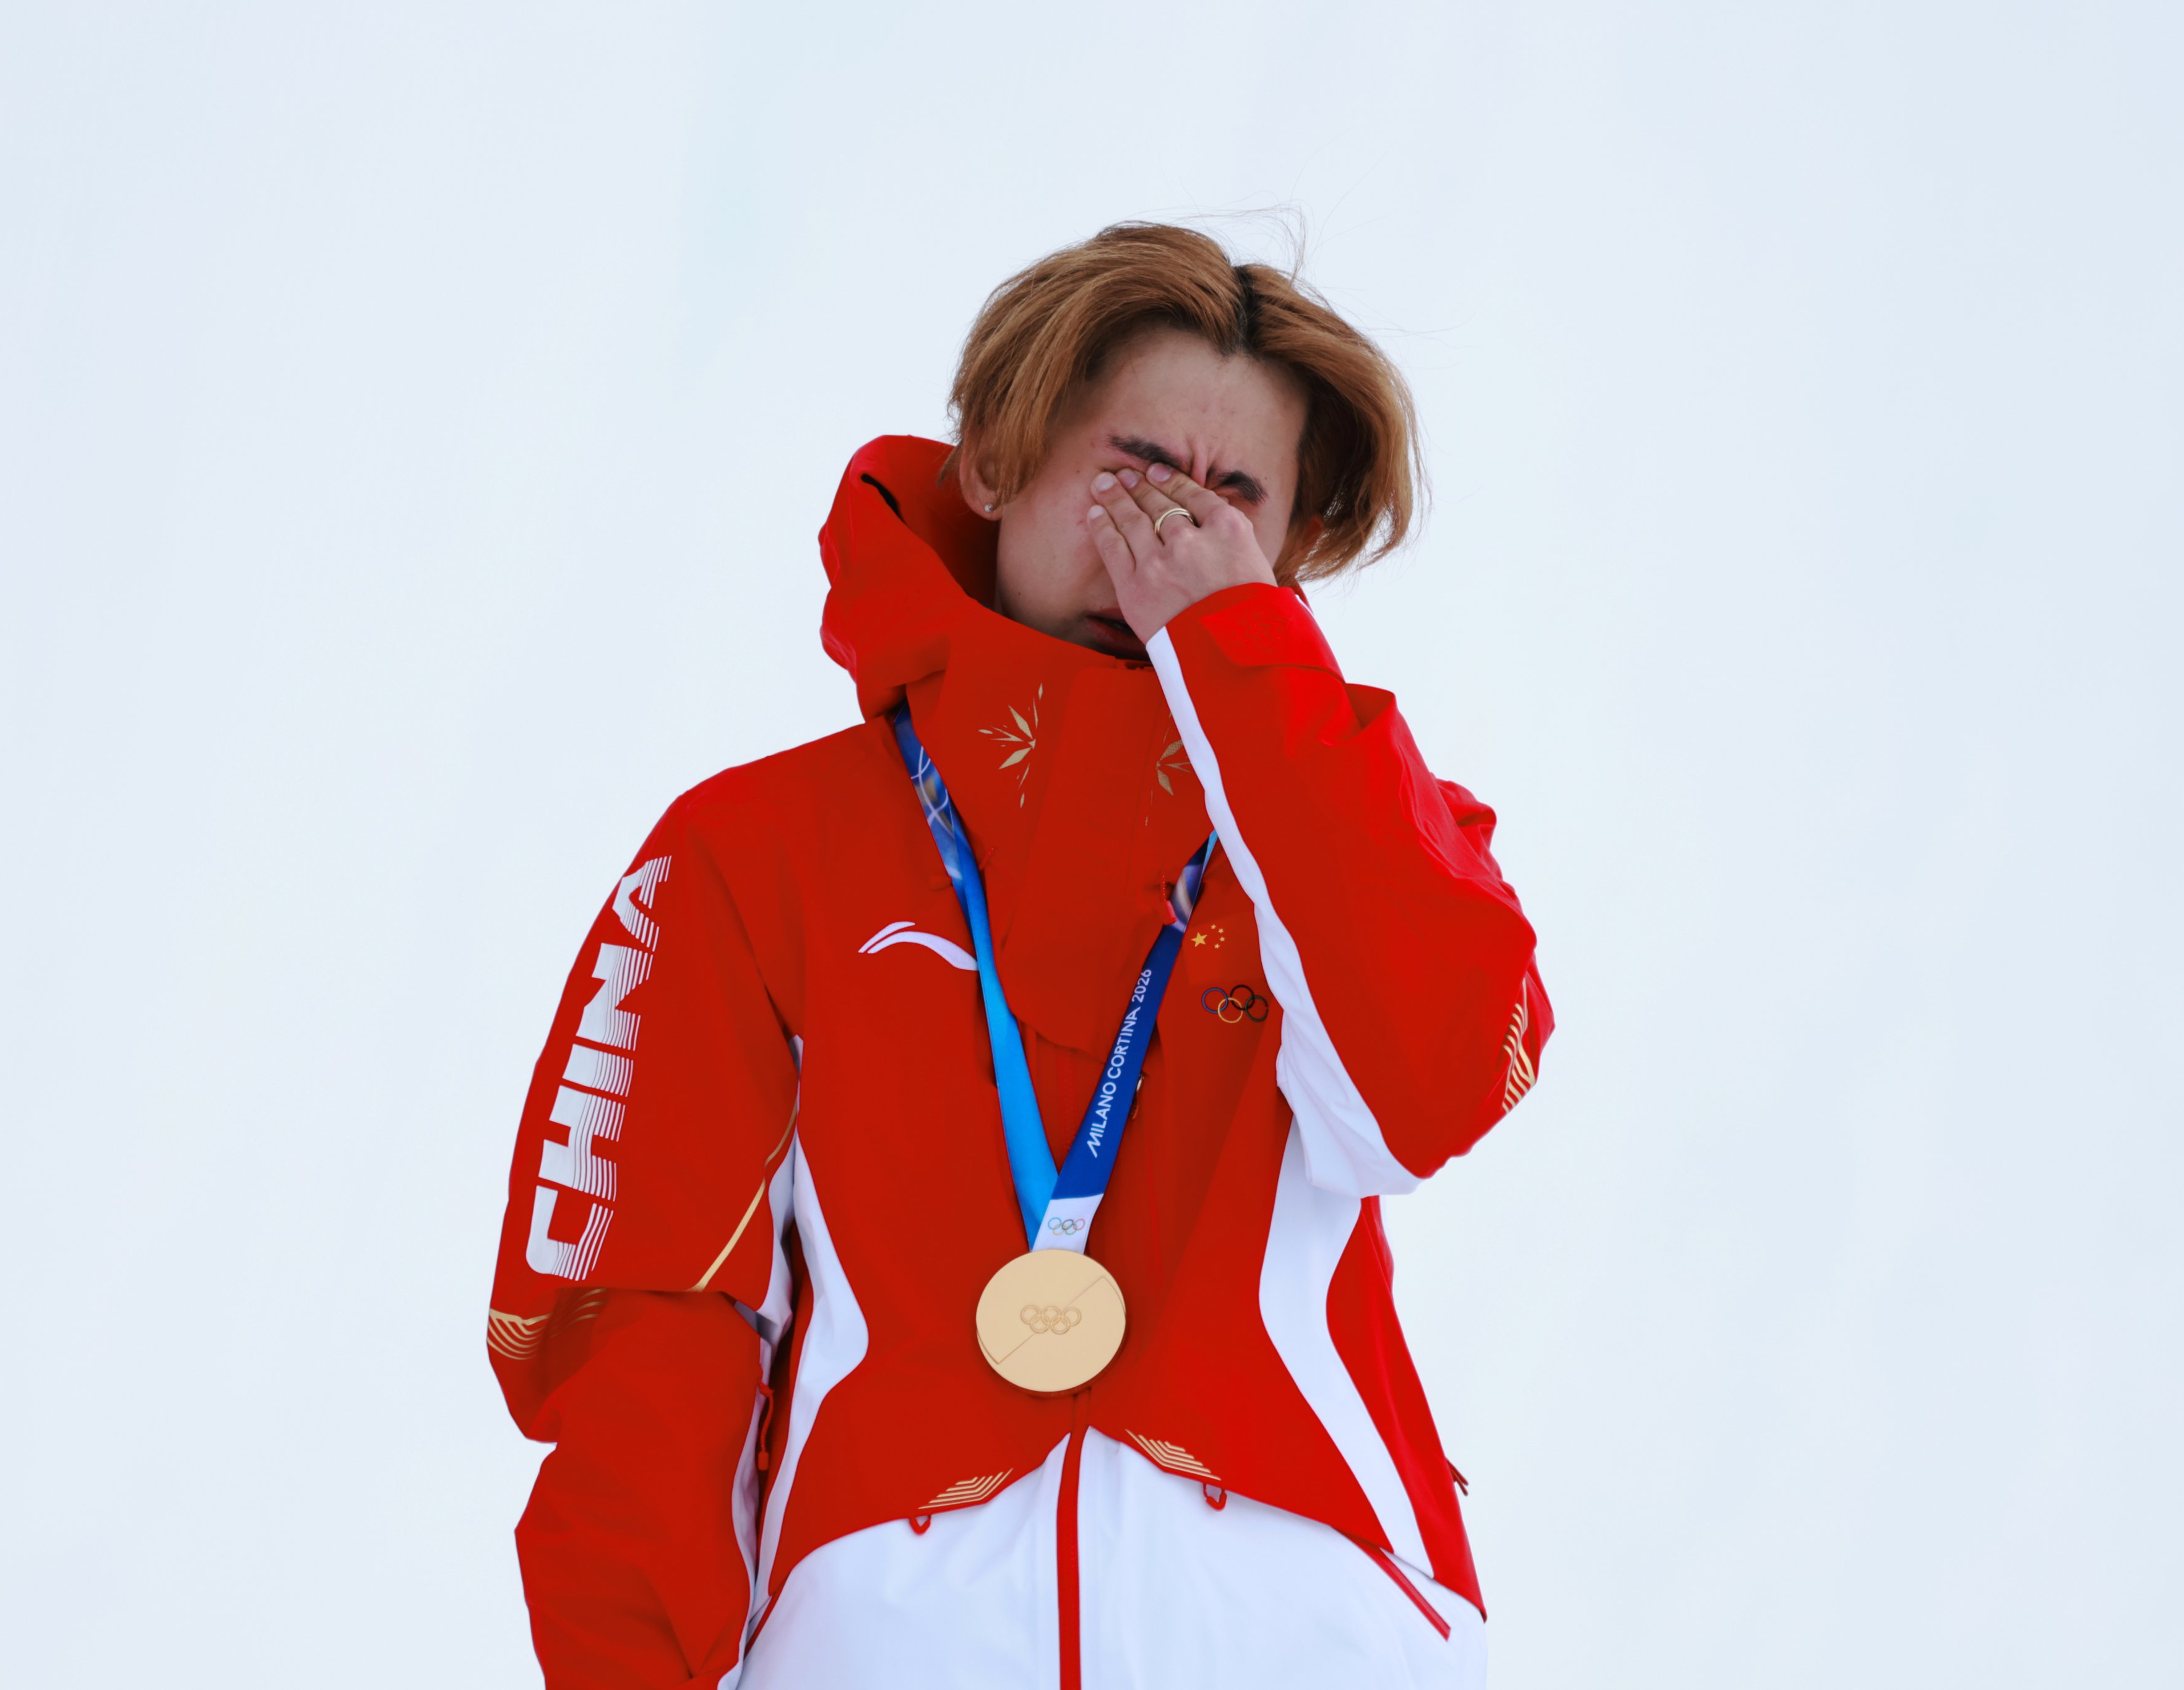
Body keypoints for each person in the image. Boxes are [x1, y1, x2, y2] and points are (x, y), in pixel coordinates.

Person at [484, 222, 1552, 1689]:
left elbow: (1427, 1091)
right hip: (890, 1638)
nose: (1165, 533)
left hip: (1310, 1631)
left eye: (1231, 496)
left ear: (1285, 548)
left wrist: (1245, 666)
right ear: (992, 460)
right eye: (1131, 465)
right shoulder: (756, 852)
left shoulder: (1358, 822)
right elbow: (645, 1348)